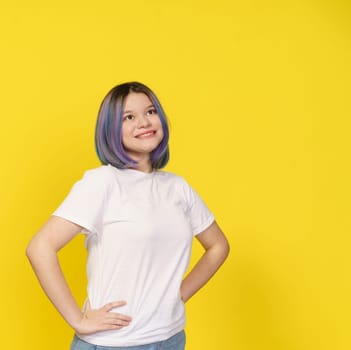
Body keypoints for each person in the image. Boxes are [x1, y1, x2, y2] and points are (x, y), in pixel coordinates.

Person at [26, 82, 230, 350]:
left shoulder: (178, 187)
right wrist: (78, 320)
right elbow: (40, 248)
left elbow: (218, 246)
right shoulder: (103, 183)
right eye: (129, 117)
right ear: (110, 129)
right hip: (114, 344)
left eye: (150, 112)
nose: (144, 122)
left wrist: (178, 295)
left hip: (170, 338)